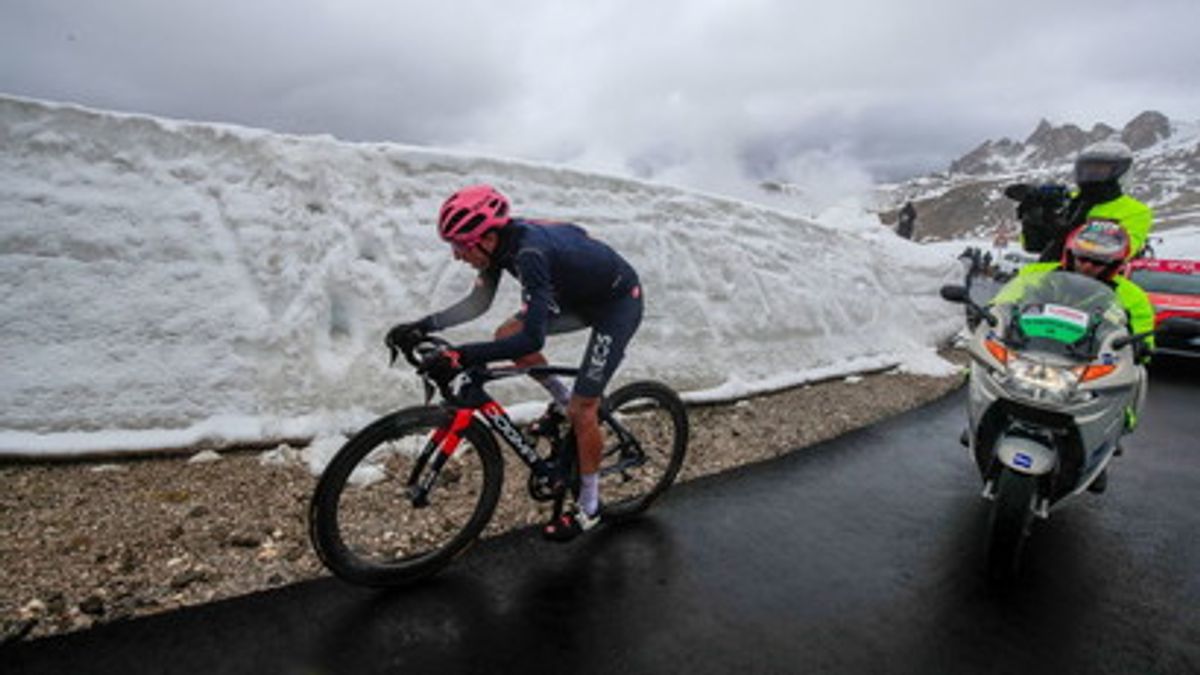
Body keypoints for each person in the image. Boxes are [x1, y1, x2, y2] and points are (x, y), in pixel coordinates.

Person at [385, 184, 644, 541]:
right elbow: (478, 303)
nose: (457, 255)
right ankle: (561, 398)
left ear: (486, 238)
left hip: (617, 303)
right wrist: (422, 326)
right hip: (577, 296)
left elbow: (531, 340)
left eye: (460, 245)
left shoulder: (529, 255)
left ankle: (590, 506)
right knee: (505, 333)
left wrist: (461, 355)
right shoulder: (497, 246)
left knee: (585, 409)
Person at [990, 220, 1154, 492]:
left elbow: (1144, 333)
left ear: (1115, 265)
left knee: (1134, 376)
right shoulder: (1038, 274)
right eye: (1082, 258)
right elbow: (1004, 301)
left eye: (1097, 262)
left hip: (1087, 361)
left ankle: (1106, 443)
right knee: (985, 361)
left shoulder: (1131, 295)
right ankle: (978, 415)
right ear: (1070, 253)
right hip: (1031, 350)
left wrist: (1142, 346)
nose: (1087, 266)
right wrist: (990, 314)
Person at [1006, 140, 1154, 263]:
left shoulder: (1136, 211)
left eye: (1101, 170)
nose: (1091, 174)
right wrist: (1034, 216)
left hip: (1097, 286)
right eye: (1087, 169)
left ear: (1120, 172)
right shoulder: (1070, 200)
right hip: (1045, 280)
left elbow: (1121, 252)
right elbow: (1033, 246)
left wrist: (1067, 231)